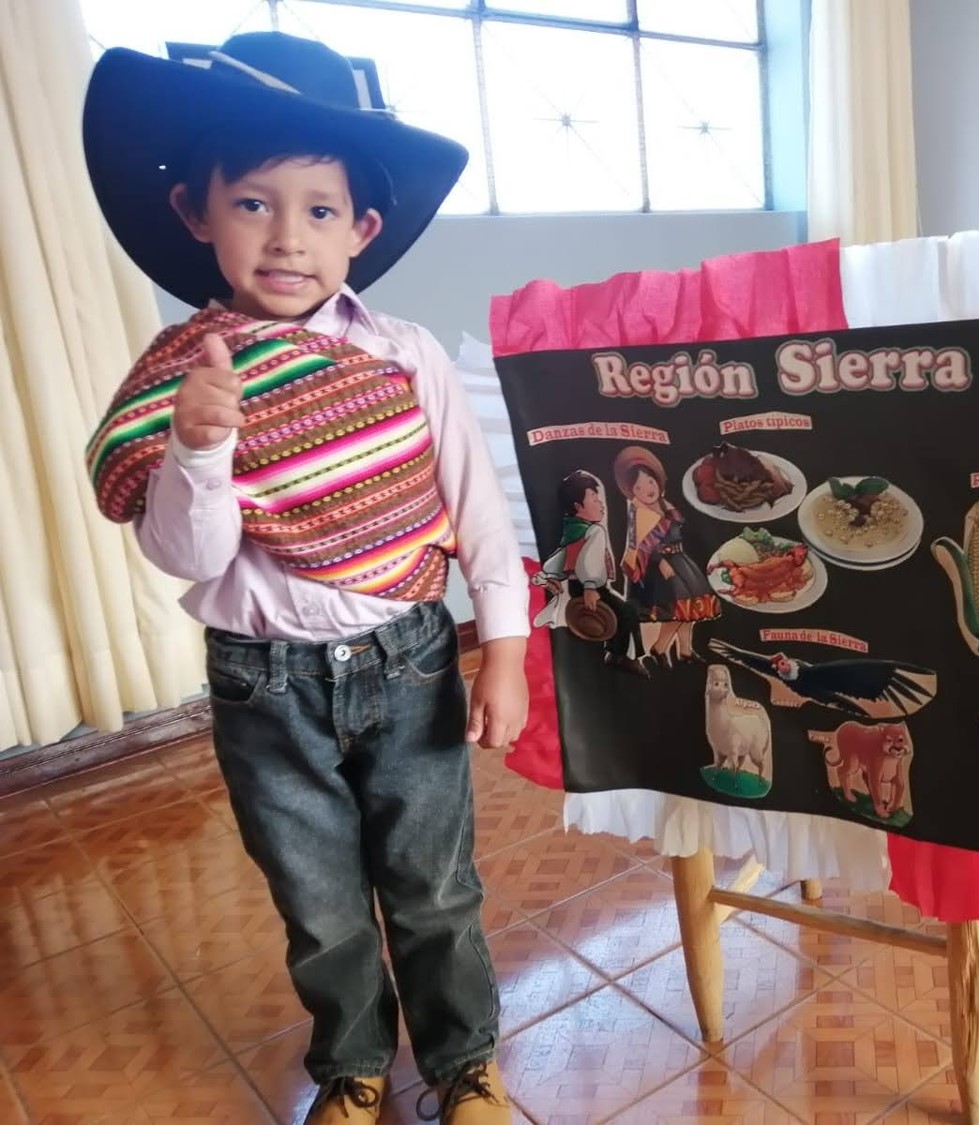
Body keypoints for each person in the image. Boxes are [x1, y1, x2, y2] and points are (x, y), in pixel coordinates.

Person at [82, 33, 527, 1125]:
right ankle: (353, 1063)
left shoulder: (404, 354)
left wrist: (507, 651)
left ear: (360, 230)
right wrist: (199, 448)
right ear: (195, 211)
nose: (287, 237)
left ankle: (464, 1060)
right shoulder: (182, 379)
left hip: (410, 661)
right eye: (253, 204)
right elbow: (187, 554)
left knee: (433, 885)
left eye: (319, 210)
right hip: (261, 683)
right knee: (317, 897)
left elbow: (475, 508)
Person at [532, 470, 648, 676]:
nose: (601, 504)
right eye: (594, 499)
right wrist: (590, 587)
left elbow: (562, 556)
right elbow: (588, 561)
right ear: (578, 507)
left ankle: (615, 652)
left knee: (620, 614)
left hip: (577, 587)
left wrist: (549, 575)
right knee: (627, 613)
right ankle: (627, 657)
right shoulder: (594, 531)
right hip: (590, 587)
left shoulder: (573, 529)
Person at [613, 447, 720, 667]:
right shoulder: (640, 513)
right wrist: (660, 562)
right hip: (660, 568)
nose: (647, 489)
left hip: (681, 561)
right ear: (632, 492)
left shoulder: (664, 504)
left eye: (650, 481)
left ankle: (685, 651)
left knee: (691, 610)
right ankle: (659, 648)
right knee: (678, 612)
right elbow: (641, 546)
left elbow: (678, 525)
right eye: (639, 487)